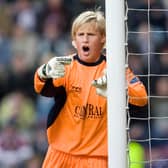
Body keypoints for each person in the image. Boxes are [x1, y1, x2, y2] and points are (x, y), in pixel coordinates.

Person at [34, 9, 148, 168]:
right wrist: (43, 72)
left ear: (104, 39)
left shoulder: (116, 69)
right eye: (80, 35)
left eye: (91, 35)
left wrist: (117, 91)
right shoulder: (65, 66)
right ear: (74, 41)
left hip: (97, 159)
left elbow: (142, 98)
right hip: (61, 155)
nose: (85, 39)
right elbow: (42, 89)